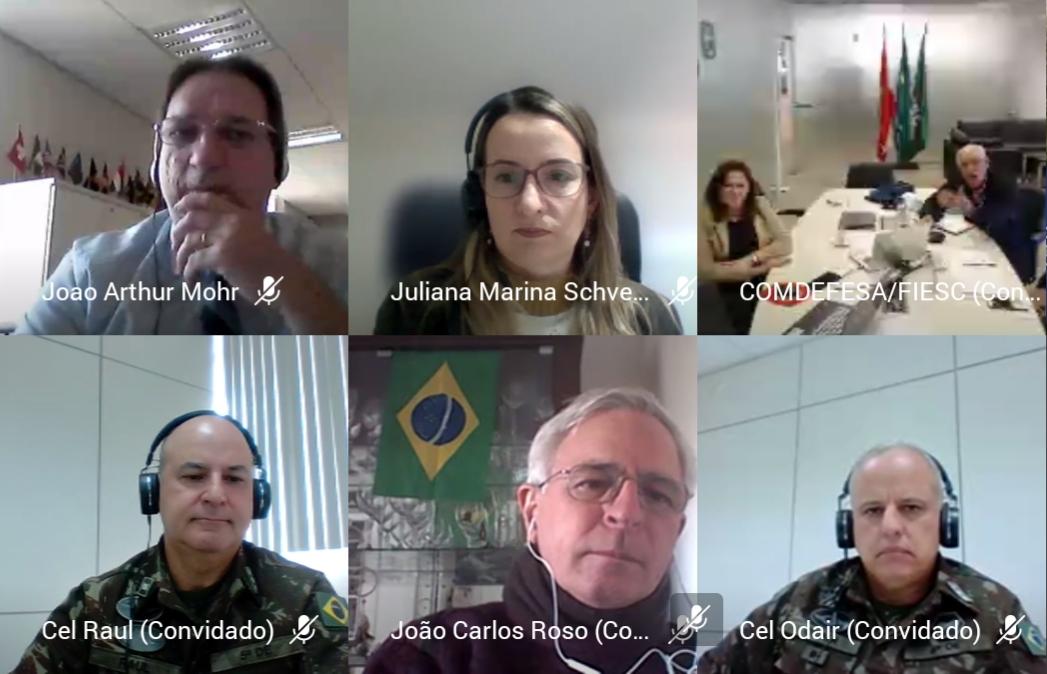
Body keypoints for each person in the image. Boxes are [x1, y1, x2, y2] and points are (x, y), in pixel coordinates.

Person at [364, 388, 698, 673]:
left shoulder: (708, 661)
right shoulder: (435, 655)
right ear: (531, 511)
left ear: (677, 531)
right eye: (592, 483)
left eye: (658, 495)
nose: (626, 513)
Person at [14, 57, 348, 335]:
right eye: (181, 132)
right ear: (156, 162)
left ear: (278, 165)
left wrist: (290, 287)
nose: (203, 157)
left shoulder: (338, 265)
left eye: (236, 134)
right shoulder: (89, 273)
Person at [14, 411, 349, 672]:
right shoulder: (93, 606)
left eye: (234, 478)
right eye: (194, 476)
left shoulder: (305, 598)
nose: (216, 494)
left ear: (257, 498)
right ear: (154, 493)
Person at [697, 443, 1047, 673]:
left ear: (944, 522)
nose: (890, 526)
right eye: (872, 510)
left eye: (911, 508)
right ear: (848, 528)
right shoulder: (800, 603)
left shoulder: (994, 611)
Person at [372, 86, 681, 335]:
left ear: (592, 200)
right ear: (479, 197)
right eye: (506, 177)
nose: (530, 204)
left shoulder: (652, 318)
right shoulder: (414, 310)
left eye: (558, 176)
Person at [698, 160, 791, 334]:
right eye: (728, 186)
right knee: (753, 329)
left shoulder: (760, 205)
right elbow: (705, 271)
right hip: (730, 288)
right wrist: (762, 266)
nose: (735, 192)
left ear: (749, 188)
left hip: (766, 279)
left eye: (740, 186)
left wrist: (752, 259)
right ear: (718, 189)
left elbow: (785, 243)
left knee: (787, 317)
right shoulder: (704, 218)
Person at [920, 144, 1031, 281]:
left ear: (986, 163)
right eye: (964, 165)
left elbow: (997, 220)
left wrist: (972, 211)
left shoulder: (1005, 185)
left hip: (1007, 249)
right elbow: (932, 201)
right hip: (975, 248)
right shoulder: (959, 182)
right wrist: (930, 214)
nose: (970, 169)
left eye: (975, 162)